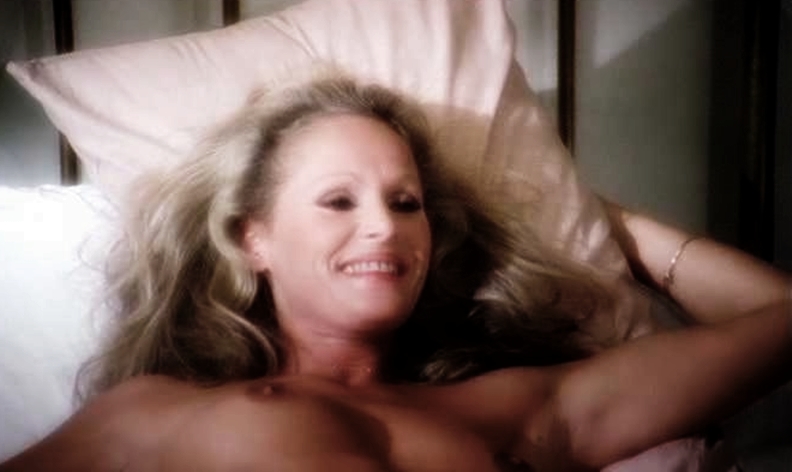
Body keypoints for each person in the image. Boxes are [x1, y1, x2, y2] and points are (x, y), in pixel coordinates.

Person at [1, 76, 789, 472]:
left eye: (406, 203)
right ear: (253, 239)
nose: (385, 225)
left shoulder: (516, 407)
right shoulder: (155, 413)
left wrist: (609, 222)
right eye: (338, 201)